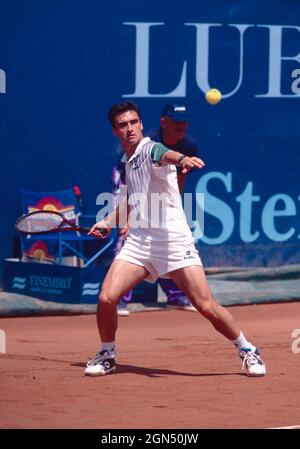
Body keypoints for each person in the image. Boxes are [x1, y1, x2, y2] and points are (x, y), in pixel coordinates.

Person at [85, 101, 266, 378]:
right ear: (115, 131)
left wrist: (181, 159)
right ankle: (107, 353)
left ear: (142, 124)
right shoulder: (129, 161)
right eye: (123, 125)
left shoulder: (149, 148)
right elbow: (131, 200)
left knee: (205, 305)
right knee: (107, 298)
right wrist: (107, 222)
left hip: (174, 242)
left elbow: (162, 152)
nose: (130, 128)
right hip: (141, 243)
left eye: (134, 122)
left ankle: (247, 349)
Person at [112, 103, 199, 315]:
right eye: (175, 122)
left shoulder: (188, 145)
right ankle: (120, 298)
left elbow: (175, 182)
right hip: (127, 182)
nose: (181, 126)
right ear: (163, 122)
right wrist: (128, 218)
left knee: (164, 234)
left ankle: (176, 296)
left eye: (183, 121)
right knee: (126, 234)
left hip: (157, 190)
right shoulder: (151, 142)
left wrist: (173, 206)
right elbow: (132, 187)